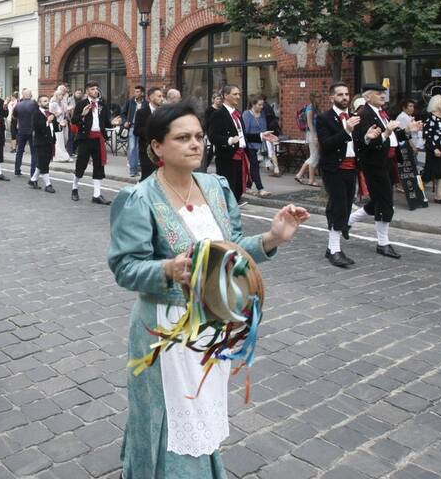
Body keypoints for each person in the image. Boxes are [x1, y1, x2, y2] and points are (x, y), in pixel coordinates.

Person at [107, 102, 308, 478]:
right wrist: (168, 269)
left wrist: (271, 238)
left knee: (200, 413)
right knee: (170, 415)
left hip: (210, 328)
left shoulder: (217, 188)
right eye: (182, 138)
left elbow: (230, 251)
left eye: (198, 136)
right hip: (164, 333)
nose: (195, 144)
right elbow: (124, 267)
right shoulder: (139, 199)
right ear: (157, 148)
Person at [346, 84, 421, 259]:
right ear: (367, 97)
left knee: (379, 200)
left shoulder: (382, 113)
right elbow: (364, 144)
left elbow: (392, 138)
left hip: (388, 162)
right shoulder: (363, 115)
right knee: (386, 202)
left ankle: (348, 221)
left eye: (383, 93)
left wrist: (408, 130)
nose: (383, 96)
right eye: (378, 93)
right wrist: (386, 133)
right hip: (374, 164)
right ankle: (383, 243)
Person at [316, 82, 361, 268]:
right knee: (339, 207)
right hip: (333, 169)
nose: (344, 97)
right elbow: (326, 145)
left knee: (346, 206)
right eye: (340, 94)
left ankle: (331, 247)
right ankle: (335, 250)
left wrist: (368, 136)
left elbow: (356, 144)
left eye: (346, 94)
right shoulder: (324, 118)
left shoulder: (353, 117)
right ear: (331, 98)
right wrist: (346, 131)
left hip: (351, 168)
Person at [209, 85, 276, 202]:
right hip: (227, 159)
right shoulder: (218, 114)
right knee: (229, 192)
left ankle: (234, 214)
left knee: (239, 190)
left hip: (241, 157)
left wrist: (261, 136)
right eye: (235, 94)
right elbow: (213, 136)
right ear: (226, 95)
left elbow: (243, 136)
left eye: (239, 94)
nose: (238, 97)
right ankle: (228, 217)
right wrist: (229, 140)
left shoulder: (237, 113)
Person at [70, 82, 111, 205]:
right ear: (87, 91)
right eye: (92, 89)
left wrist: (113, 122)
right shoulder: (81, 104)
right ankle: (74, 188)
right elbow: (73, 120)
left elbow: (106, 122)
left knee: (99, 166)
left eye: (96, 89)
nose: (95, 91)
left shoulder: (102, 104)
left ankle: (97, 195)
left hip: (98, 139)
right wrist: (82, 114)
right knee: (81, 165)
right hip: (85, 138)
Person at [242, 94, 273, 198]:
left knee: (253, 168)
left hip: (260, 146)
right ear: (253, 104)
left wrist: (269, 136)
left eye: (262, 104)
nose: (262, 106)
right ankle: (261, 189)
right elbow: (244, 133)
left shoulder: (263, 114)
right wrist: (260, 136)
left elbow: (263, 130)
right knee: (254, 167)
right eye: (259, 104)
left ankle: (247, 186)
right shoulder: (246, 114)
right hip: (249, 146)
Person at [30, 95, 58, 193]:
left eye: (48, 101)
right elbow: (36, 127)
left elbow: (55, 128)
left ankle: (33, 180)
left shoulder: (50, 113)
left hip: (50, 142)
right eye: (44, 101)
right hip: (41, 142)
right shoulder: (36, 114)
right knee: (44, 163)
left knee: (43, 162)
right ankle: (48, 185)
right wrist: (48, 121)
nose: (47, 102)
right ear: (39, 103)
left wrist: (58, 123)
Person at [135, 87, 164, 180]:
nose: (162, 98)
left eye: (162, 96)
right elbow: (137, 131)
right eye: (159, 96)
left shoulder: (163, 112)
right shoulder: (141, 112)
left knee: (161, 178)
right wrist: (151, 131)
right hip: (146, 151)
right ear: (151, 98)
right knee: (147, 177)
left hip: (161, 151)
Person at [294, 92, 320, 186]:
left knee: (314, 156)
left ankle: (300, 174)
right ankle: (311, 180)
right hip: (312, 134)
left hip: (314, 134)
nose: (319, 98)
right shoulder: (310, 108)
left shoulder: (315, 108)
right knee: (314, 156)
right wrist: (315, 136)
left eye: (319, 96)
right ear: (313, 98)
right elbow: (310, 123)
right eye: (317, 96)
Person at [12, 89, 39, 179]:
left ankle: (17, 169)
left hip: (21, 130)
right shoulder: (34, 104)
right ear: (30, 95)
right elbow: (37, 115)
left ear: (23, 95)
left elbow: (14, 116)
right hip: (32, 130)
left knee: (20, 151)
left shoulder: (18, 104)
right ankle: (32, 173)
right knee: (34, 152)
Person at [122, 86, 145, 177]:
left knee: (139, 148)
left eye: (138, 91)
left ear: (142, 93)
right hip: (132, 127)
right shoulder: (130, 102)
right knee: (132, 148)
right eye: (135, 91)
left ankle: (138, 168)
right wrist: (125, 122)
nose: (136, 93)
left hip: (141, 128)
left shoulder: (146, 104)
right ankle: (132, 169)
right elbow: (123, 113)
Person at [49, 85, 72, 162]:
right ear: (56, 95)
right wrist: (59, 112)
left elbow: (65, 111)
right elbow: (52, 114)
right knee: (58, 140)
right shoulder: (53, 103)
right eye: (60, 95)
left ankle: (63, 155)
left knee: (62, 140)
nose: (62, 96)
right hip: (56, 123)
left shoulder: (61, 103)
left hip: (62, 122)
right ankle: (58, 156)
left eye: (62, 94)